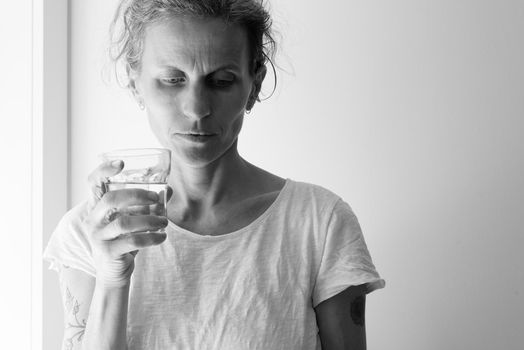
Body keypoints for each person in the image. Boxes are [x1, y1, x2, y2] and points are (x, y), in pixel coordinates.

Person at [43, 0, 385, 349]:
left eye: (221, 81)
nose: (196, 108)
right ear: (136, 85)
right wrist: (112, 278)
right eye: (172, 80)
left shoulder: (319, 222)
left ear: (254, 85)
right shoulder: (87, 232)